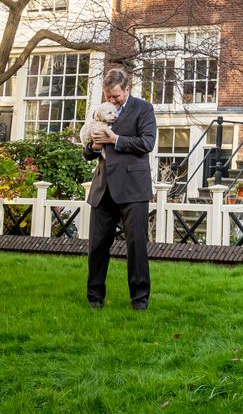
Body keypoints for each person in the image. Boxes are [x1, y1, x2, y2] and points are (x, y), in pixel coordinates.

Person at [83, 68, 157, 310]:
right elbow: (87, 152)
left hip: (133, 189)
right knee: (96, 246)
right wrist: (93, 146)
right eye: (108, 96)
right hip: (103, 187)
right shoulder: (100, 112)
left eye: (116, 96)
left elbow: (147, 143)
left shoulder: (143, 109)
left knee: (136, 246)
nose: (111, 101)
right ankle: (94, 298)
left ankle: (139, 300)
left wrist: (115, 139)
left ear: (127, 89)